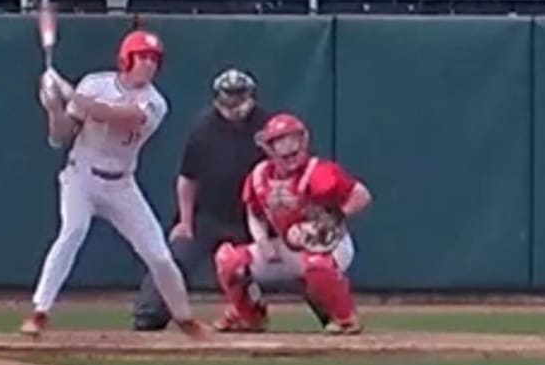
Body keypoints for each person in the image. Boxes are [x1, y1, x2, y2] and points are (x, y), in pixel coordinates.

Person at [26, 29, 207, 339]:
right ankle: (39, 312)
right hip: (80, 176)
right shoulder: (96, 83)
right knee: (72, 232)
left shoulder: (155, 103)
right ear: (126, 58)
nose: (149, 65)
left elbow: (117, 116)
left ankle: (185, 318)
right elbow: (61, 137)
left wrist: (68, 92)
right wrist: (53, 107)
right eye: (143, 57)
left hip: (122, 184)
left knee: (159, 255)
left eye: (154, 59)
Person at [135, 68, 265, 331]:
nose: (234, 103)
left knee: (295, 256)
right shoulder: (204, 128)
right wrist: (185, 221)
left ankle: (333, 315)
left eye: (240, 96)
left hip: (251, 216)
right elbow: (187, 178)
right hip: (208, 214)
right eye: (228, 96)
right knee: (177, 254)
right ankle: (148, 315)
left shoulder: (265, 126)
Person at [215, 112, 368, 334]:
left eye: (293, 139)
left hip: (329, 244)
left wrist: (332, 220)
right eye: (281, 141)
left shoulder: (318, 172)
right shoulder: (259, 175)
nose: (289, 147)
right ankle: (249, 315)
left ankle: (345, 317)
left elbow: (361, 195)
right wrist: (262, 240)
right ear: (269, 147)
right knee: (229, 259)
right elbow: (255, 211)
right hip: (285, 243)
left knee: (317, 264)